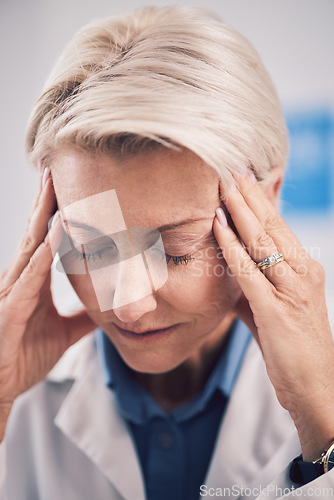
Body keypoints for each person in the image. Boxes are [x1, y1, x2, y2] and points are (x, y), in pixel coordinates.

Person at [0, 5, 333, 499]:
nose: (128, 304)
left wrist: (321, 421)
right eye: (90, 246)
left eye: (176, 249)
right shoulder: (17, 397)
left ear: (269, 202)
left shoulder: (324, 399)